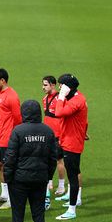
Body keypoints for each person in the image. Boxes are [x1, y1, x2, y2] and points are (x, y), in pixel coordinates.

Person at [0, 100, 57, 222]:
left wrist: (9, 179)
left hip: (19, 179)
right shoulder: (48, 131)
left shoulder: (18, 131)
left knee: (18, 214)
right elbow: (53, 158)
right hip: (40, 179)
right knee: (38, 214)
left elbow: (10, 158)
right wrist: (48, 177)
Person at [54, 74, 88, 221]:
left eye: (61, 85)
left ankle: (72, 210)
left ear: (68, 87)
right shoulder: (77, 98)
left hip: (71, 142)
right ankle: (76, 199)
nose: (59, 87)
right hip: (69, 139)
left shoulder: (77, 100)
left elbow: (59, 112)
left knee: (73, 175)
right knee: (74, 171)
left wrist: (61, 96)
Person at [0, 68, 22, 210]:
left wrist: (14, 137)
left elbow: (18, 118)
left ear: (3, 80)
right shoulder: (1, 94)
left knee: (9, 169)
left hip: (7, 139)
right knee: (1, 165)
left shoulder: (12, 96)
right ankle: (4, 194)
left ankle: (11, 199)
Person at [41, 76, 67, 208]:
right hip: (47, 136)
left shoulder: (59, 99)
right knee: (46, 159)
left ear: (53, 85)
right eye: (43, 85)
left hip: (58, 136)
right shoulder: (44, 99)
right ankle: (49, 182)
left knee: (59, 161)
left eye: (45, 85)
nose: (43, 87)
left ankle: (62, 186)